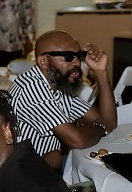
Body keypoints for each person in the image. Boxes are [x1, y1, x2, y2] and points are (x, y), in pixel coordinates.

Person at [8, 30, 117, 171]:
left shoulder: (59, 84)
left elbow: (109, 121)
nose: (77, 62)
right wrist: (102, 127)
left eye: (79, 55)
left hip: (46, 171)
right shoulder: (31, 89)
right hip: (25, 177)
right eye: (68, 56)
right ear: (43, 61)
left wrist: (100, 72)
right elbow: (78, 140)